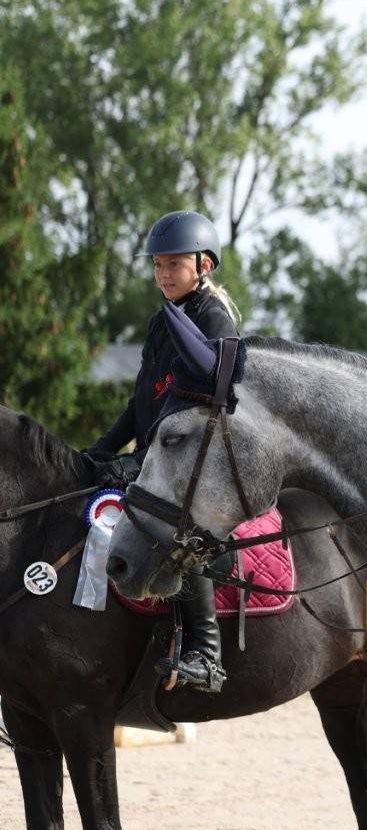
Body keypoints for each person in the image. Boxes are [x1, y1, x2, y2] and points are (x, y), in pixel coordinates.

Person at [86, 210, 239, 693]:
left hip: (197, 460)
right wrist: (101, 452)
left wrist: (141, 460)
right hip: (158, 456)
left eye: (174, 264)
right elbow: (141, 403)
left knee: (181, 529)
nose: (163, 274)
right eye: (157, 265)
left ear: (203, 265)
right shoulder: (161, 322)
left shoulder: (214, 320)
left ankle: (206, 652)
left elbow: (198, 412)